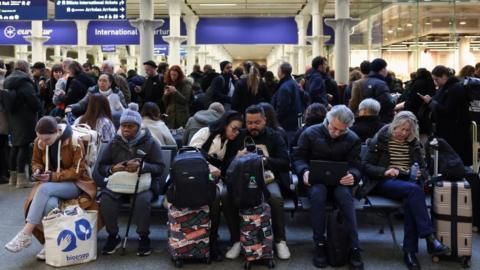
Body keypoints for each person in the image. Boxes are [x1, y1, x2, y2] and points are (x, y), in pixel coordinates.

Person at [362, 111, 450, 270]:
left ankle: (410, 252)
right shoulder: (381, 139)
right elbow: (366, 166)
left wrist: (418, 173)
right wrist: (385, 171)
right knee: (415, 192)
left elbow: (424, 169)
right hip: (384, 180)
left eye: (408, 130)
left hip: (407, 181)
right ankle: (429, 239)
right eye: (401, 129)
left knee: (412, 201)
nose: (403, 133)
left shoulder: (414, 143)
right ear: (394, 126)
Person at [4, 116, 97, 260]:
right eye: (40, 139)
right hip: (52, 184)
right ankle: (50, 244)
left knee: (44, 190)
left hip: (76, 184)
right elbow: (35, 161)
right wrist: (37, 170)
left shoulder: (74, 141)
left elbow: (77, 172)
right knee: (50, 204)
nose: (43, 143)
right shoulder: (39, 141)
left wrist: (53, 176)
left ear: (57, 132)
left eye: (47, 140)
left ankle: (26, 233)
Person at [293, 105, 364, 270]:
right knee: (318, 194)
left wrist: (353, 175)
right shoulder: (310, 133)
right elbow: (297, 157)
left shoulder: (352, 138)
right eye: (334, 128)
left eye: (342, 130)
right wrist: (304, 171)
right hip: (315, 181)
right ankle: (319, 243)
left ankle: (354, 246)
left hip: (340, 182)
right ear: (327, 120)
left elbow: (357, 165)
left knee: (345, 198)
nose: (337, 133)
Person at [224, 105, 291, 260]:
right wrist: (237, 158)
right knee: (226, 196)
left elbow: (285, 162)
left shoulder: (275, 136)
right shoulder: (239, 136)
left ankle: (280, 240)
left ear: (265, 120)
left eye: (257, 122)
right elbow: (226, 163)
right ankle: (236, 240)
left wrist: (264, 161)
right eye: (249, 122)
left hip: (266, 179)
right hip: (241, 180)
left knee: (274, 197)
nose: (253, 126)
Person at [95, 109, 165, 256]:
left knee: (142, 200)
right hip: (119, 183)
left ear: (138, 127)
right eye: (123, 126)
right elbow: (101, 167)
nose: (126, 129)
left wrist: (143, 167)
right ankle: (113, 236)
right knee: (106, 199)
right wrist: (113, 168)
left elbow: (160, 168)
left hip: (143, 184)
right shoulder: (114, 142)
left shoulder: (150, 142)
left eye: (130, 126)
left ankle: (143, 236)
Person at [189, 110, 244, 261]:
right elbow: (190, 154)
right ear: (225, 124)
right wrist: (208, 166)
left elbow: (223, 167)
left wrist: (235, 158)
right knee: (215, 196)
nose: (236, 132)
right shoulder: (205, 132)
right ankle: (211, 243)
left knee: (217, 196)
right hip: (194, 177)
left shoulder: (228, 141)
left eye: (239, 129)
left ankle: (212, 241)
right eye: (234, 128)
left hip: (210, 180)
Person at [418, 65, 472, 166]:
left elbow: (447, 110)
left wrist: (431, 102)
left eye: (436, 79)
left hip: (454, 131)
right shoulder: (447, 87)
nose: (435, 83)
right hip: (449, 129)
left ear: (444, 76)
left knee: (453, 158)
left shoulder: (454, 88)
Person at [3, 60, 41, 188]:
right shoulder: (24, 81)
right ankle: (21, 179)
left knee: (15, 146)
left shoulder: (9, 79)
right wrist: (38, 107)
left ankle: (13, 178)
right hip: (25, 117)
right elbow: (32, 98)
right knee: (24, 146)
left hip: (13, 116)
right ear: (26, 68)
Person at [272, 62, 304, 144]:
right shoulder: (294, 83)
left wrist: (276, 119)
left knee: (288, 144)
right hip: (295, 120)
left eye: (278, 70)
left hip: (287, 123)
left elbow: (282, 107)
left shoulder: (284, 87)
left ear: (281, 72)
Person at [404, 68, 436, 140]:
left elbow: (412, 99)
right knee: (424, 135)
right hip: (426, 113)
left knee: (415, 135)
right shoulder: (430, 82)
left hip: (415, 113)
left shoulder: (417, 82)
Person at [362, 58, 395, 123]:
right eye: (385, 68)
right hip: (381, 118)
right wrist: (394, 99)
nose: (386, 70)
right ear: (381, 70)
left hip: (369, 116)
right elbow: (388, 103)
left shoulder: (367, 81)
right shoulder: (381, 84)